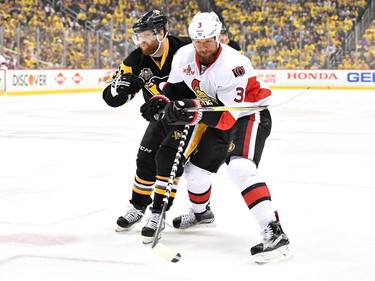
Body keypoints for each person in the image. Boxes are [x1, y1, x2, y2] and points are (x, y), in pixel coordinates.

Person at [142, 11, 291, 263]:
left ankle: (274, 232)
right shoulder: (184, 55)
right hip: (213, 115)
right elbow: (176, 87)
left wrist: (189, 111)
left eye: (208, 41)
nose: (202, 47)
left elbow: (227, 118)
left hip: (247, 115)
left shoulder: (235, 64)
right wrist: (163, 101)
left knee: (240, 168)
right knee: (195, 174)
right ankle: (202, 214)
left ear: (218, 37)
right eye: (198, 42)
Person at [102, 10, 215, 244]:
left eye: (146, 35)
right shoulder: (135, 60)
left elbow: (220, 56)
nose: (141, 41)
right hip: (159, 116)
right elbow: (112, 99)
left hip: (187, 116)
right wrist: (119, 89)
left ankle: (157, 212)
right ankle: (137, 207)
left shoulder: (185, 49)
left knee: (167, 161)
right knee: (144, 158)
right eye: (138, 36)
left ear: (162, 33)